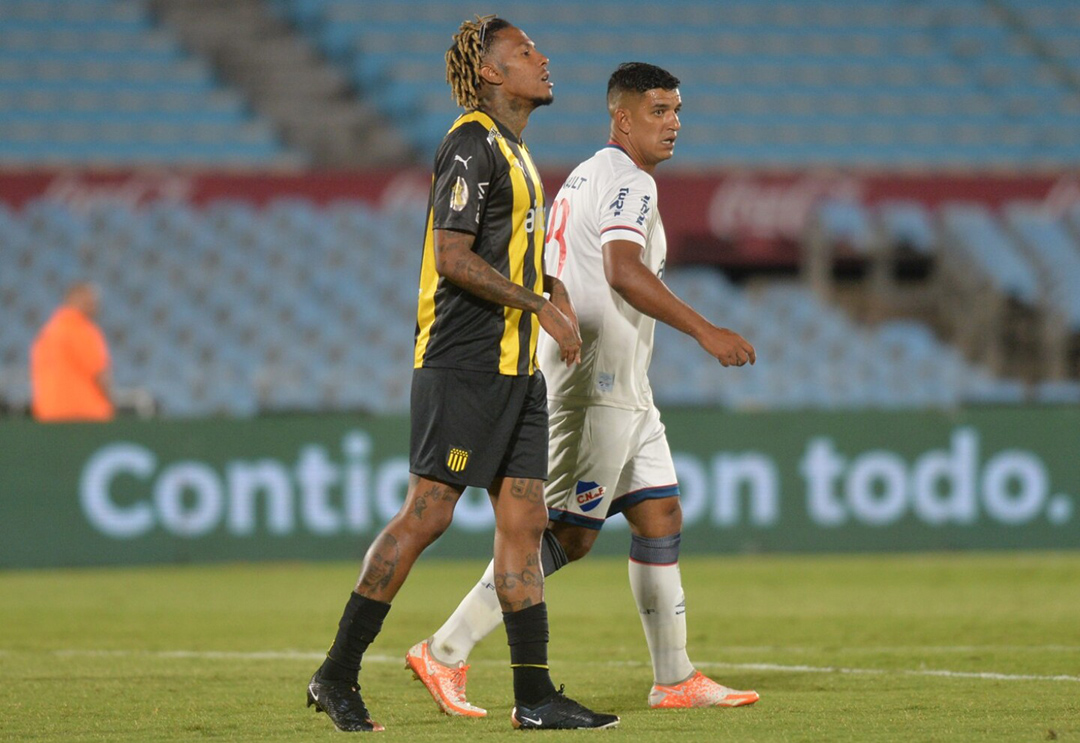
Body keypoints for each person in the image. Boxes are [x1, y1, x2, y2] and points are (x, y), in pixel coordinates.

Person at [405, 62, 760, 718]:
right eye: (658, 110)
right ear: (621, 117)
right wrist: (707, 330)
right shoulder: (630, 184)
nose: (673, 122)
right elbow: (623, 271)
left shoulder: (581, 179)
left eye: (677, 110)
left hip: (623, 384)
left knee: (659, 515)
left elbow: (554, 262)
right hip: (595, 383)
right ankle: (445, 650)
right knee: (566, 534)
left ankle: (674, 676)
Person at [305, 16, 619, 733]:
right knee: (429, 512)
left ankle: (534, 696)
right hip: (463, 362)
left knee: (523, 521)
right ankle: (337, 673)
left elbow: (506, 256)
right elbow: (451, 256)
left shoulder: (517, 153)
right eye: (525, 53)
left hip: (516, 372)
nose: (544, 60)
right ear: (490, 73)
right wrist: (539, 300)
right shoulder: (471, 143)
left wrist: (551, 285)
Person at [30, 281, 113, 422]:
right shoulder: (81, 328)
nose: (96, 306)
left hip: (49, 413)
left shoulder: (47, 332)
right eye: (92, 301)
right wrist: (112, 403)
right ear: (78, 299)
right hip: (85, 414)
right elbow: (100, 374)